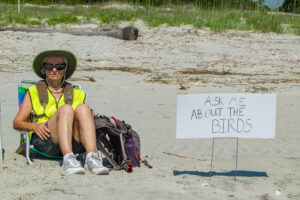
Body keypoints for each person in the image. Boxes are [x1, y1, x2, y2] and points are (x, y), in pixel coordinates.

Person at [13, 49, 109, 176]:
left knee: (84, 108)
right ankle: (68, 160)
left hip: (75, 142)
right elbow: (16, 123)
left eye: (59, 66)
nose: (54, 70)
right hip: (45, 141)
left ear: (65, 69)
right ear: (43, 69)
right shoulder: (33, 91)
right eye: (49, 66)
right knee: (66, 109)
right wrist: (34, 126)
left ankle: (91, 158)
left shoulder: (76, 93)